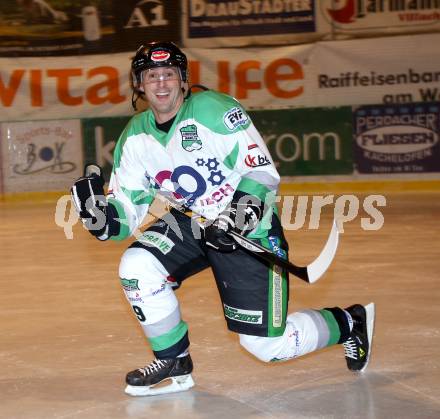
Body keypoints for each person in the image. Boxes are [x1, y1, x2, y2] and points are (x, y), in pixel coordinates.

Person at [71, 41, 375, 397]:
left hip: (248, 228)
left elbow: (261, 173)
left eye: (169, 74)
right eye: (151, 76)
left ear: (183, 80)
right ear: (139, 84)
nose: (162, 83)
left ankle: (350, 321)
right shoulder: (135, 135)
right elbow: (127, 208)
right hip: (192, 223)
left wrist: (235, 216)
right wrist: (102, 219)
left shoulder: (214, 110)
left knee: (267, 348)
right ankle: (174, 360)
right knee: (136, 265)